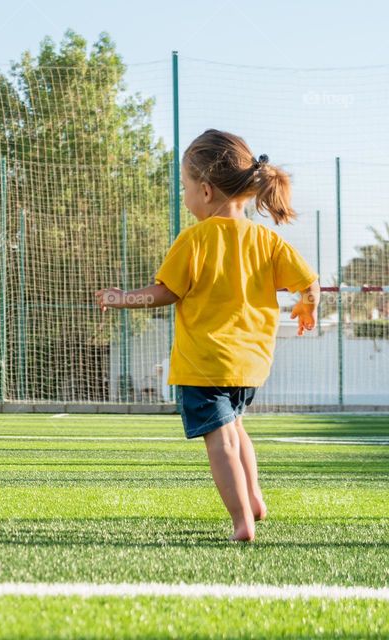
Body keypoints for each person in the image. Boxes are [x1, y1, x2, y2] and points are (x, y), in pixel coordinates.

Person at [96, 129, 320, 541]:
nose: (183, 196)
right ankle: (254, 499)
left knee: (220, 441)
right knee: (235, 428)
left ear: (204, 190)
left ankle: (241, 521)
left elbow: (165, 293)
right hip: (250, 365)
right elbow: (309, 282)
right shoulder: (266, 239)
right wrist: (308, 306)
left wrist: (122, 298)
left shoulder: (194, 239)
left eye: (183, 188)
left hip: (203, 364)